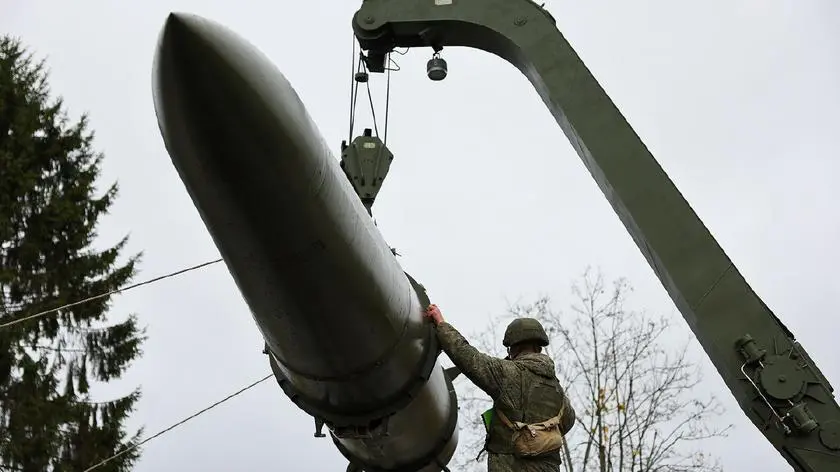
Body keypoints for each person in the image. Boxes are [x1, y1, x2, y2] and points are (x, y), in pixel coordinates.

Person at [424, 304, 575, 472]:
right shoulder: (556, 389)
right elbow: (568, 420)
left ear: (513, 348)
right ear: (539, 348)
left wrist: (441, 324)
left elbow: (468, 358)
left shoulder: (508, 374)